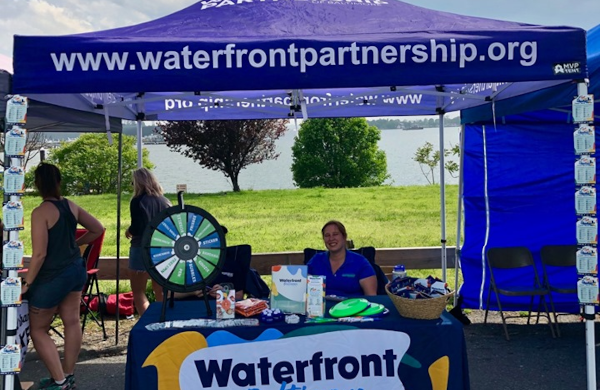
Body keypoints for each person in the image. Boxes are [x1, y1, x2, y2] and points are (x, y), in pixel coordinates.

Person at [22, 163, 104, 390]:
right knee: (72, 321)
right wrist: (74, 244)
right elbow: (98, 228)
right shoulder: (70, 205)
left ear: (38, 184)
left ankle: (59, 382)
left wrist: (26, 284)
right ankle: (68, 375)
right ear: (59, 181)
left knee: (38, 328)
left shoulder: (40, 212)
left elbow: (39, 254)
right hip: (76, 270)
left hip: (53, 276)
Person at [125, 168, 171, 316]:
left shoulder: (138, 201)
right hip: (163, 248)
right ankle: (163, 318)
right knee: (160, 289)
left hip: (141, 247)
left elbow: (138, 227)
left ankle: (147, 321)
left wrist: (129, 231)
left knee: (139, 292)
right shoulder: (165, 201)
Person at [307, 220, 377, 297]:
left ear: (344, 237)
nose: (331, 238)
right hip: (320, 308)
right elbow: (302, 288)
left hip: (352, 308)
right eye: (327, 235)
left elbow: (371, 297)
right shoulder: (316, 260)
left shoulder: (360, 263)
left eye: (335, 234)